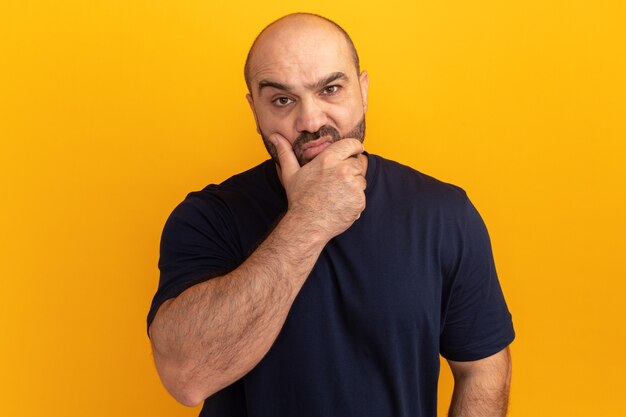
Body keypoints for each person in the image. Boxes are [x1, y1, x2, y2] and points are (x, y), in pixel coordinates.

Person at [147, 12, 515, 417]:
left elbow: (482, 369)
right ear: (255, 110)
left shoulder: (444, 214)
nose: (310, 121)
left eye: (331, 89)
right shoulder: (208, 217)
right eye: (282, 100)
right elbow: (187, 378)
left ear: (363, 90)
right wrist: (310, 219)